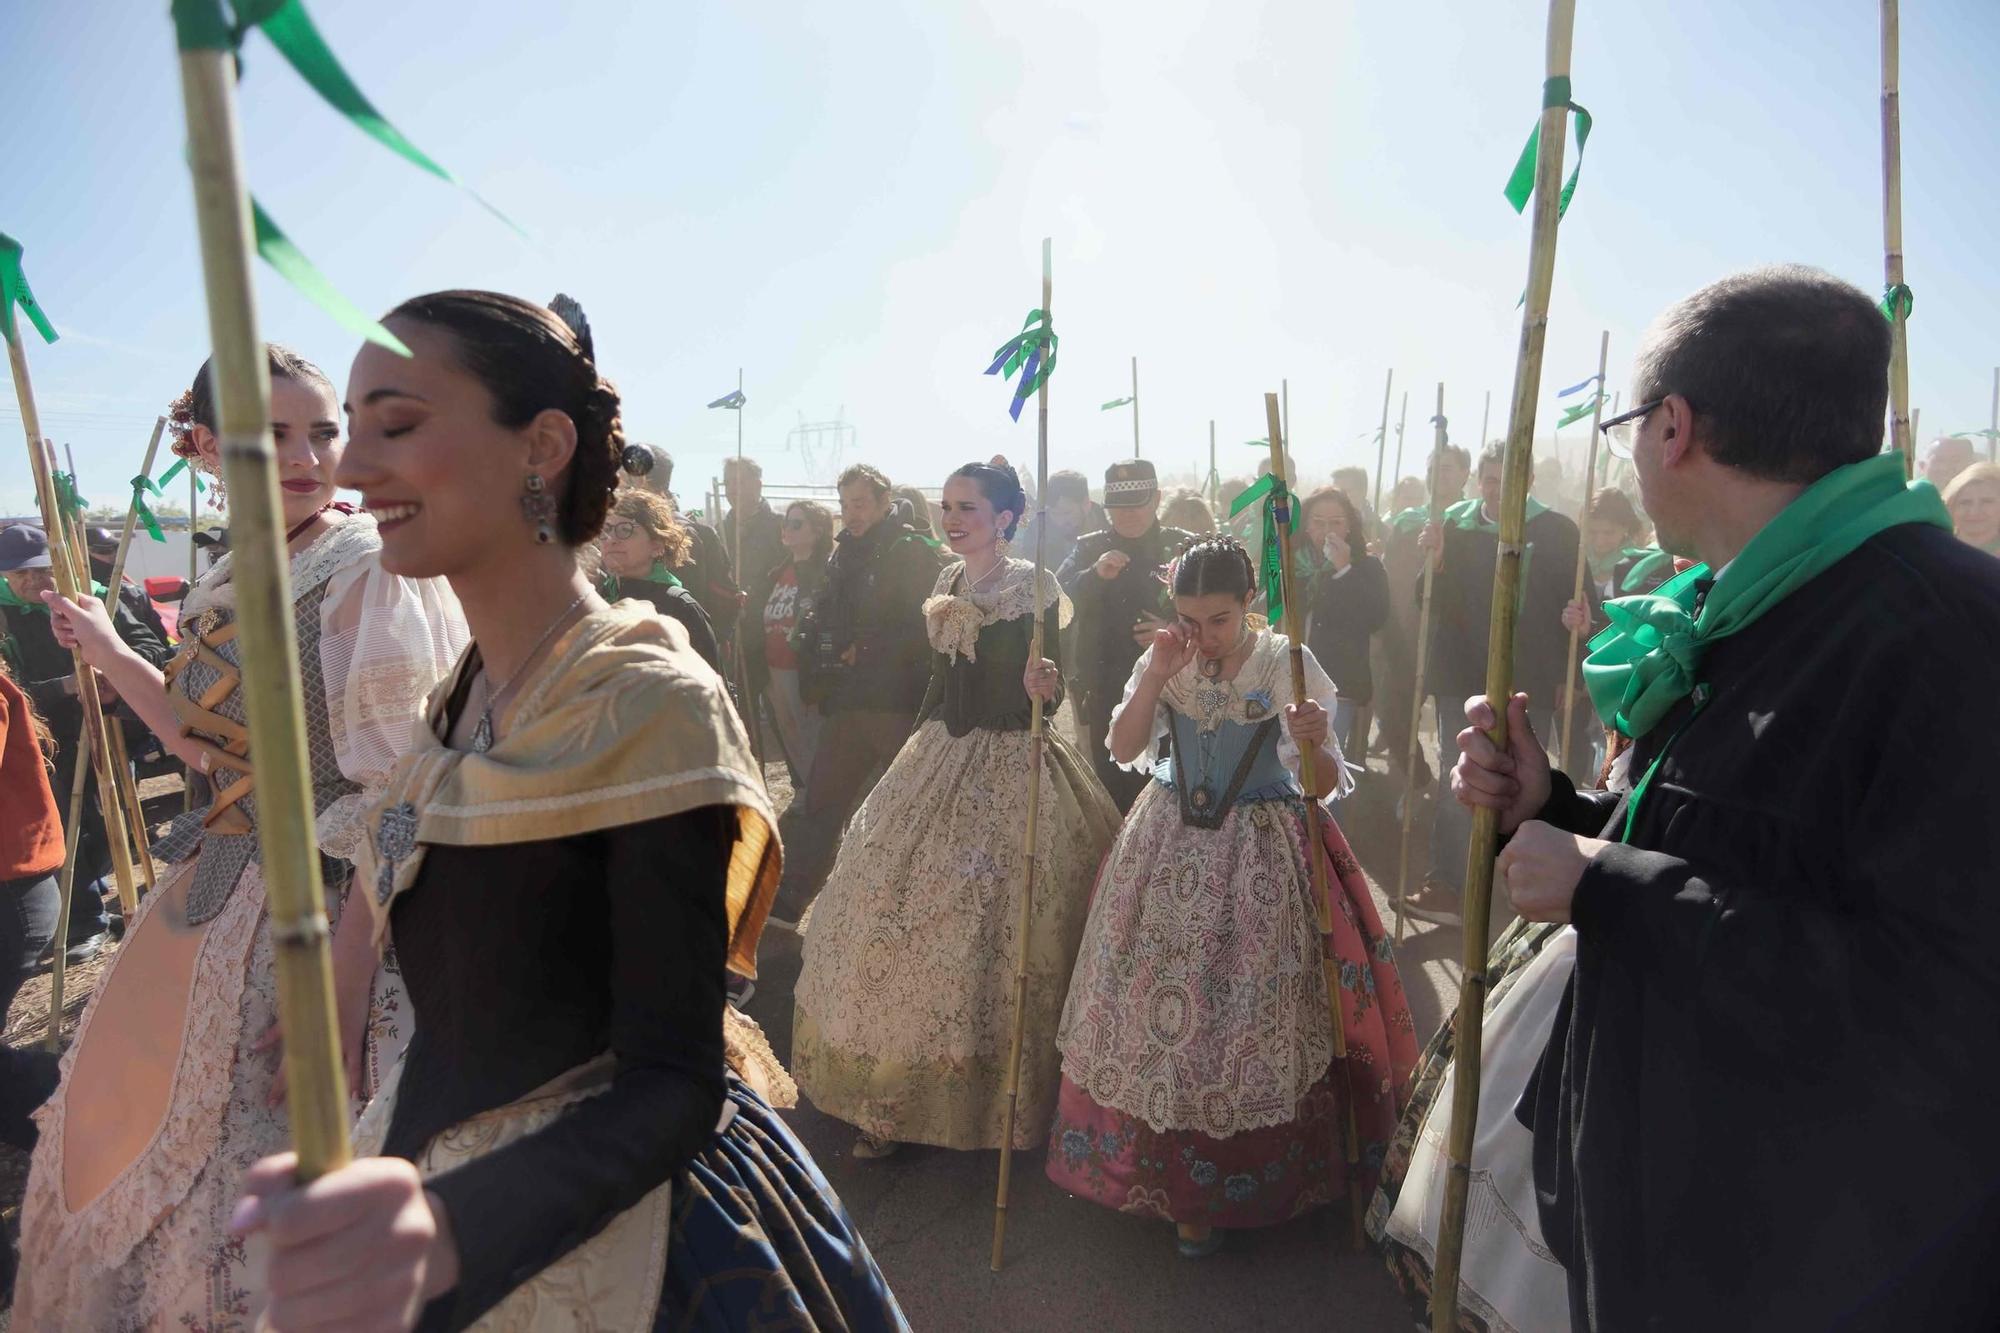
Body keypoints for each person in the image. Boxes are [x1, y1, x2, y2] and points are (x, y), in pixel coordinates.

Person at [229, 289, 908, 1332]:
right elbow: (409, 849)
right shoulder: (454, 693)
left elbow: (673, 1086)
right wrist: (347, 970)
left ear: (540, 445)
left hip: (621, 1237)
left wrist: (446, 1226)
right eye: (351, 429)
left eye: (397, 426)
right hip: (419, 1159)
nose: (354, 470)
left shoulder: (648, 703)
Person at [1454, 265, 2000, 1330]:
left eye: (1622, 429)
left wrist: (1609, 885)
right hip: (1674, 1220)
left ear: (1671, 427)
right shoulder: (1757, 600)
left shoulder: (1948, 637)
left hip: (1813, 1260)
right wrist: (1557, 805)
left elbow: (1936, 1004)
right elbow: (1743, 850)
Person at [12, 345, 466, 1332]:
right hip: (219, 885)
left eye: (322, 431)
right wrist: (112, 647)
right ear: (206, 449)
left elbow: (404, 796)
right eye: (271, 437)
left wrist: (347, 992)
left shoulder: (364, 573)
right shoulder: (232, 574)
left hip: (348, 911)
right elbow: (198, 744)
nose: (304, 456)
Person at [1045, 534, 1417, 1256]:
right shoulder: (1167, 655)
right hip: (1166, 840)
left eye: (1219, 618)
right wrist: (1156, 673)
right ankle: (1171, 1177)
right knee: (1160, 1001)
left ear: (1251, 604)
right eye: (1188, 617)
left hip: (1265, 850)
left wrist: (1312, 737)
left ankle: (1243, 1175)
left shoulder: (1288, 663)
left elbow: (1315, 784)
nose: (1203, 635)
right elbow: (1123, 749)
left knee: (1248, 1007)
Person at [794, 461, 1121, 1158]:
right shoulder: (944, 582)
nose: (952, 517)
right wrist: (909, 760)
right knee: (884, 898)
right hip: (940, 753)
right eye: (946, 505)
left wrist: (1044, 683)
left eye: (966, 506)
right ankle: (884, 1089)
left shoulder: (1036, 585)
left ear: (1005, 518)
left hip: (1012, 754)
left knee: (986, 916)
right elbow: (941, 684)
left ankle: (994, 1091)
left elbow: (1050, 695)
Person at [1407, 442, 1579, 925]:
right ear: (1478, 480)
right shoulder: (1455, 526)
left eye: (1508, 481)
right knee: (1456, 774)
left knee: (1524, 780)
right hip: (1462, 671)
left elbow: (1575, 604)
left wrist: (1575, 645)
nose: (1497, 489)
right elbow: (1428, 599)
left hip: (1533, 674)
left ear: (1526, 484)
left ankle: (1515, 887)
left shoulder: (1559, 531)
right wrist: (1436, 560)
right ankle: (1448, 884)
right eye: (1489, 479)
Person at [770, 463, 945, 924]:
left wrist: (865, 648)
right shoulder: (843, 553)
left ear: (885, 501)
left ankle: (911, 908)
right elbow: (825, 611)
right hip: (847, 702)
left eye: (861, 503)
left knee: (904, 810)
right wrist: (815, 651)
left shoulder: (913, 550)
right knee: (822, 800)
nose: (851, 514)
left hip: (896, 704)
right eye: (845, 505)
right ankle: (787, 907)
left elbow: (930, 620)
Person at [0, 522, 169, 963]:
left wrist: (111, 665)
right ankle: (85, 919)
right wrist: (66, 686)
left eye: (42, 570)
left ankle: (111, 905)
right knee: (67, 829)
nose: (34, 581)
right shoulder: (2, 616)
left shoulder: (98, 599)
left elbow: (153, 651)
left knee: (107, 825)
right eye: (21, 574)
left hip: (109, 731)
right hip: (41, 745)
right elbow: (10, 691)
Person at [1056, 459, 1194, 812]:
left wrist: (1174, 628)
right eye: (1119, 507)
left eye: (1137, 504)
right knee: (1113, 793)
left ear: (1157, 498)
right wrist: (1094, 575)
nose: (1128, 514)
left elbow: (1220, 612)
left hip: (1177, 690)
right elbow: (1056, 604)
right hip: (1108, 689)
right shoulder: (1088, 549)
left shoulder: (1184, 548)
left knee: (1174, 791)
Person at [619, 443, 743, 650]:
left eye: (624, 477)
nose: (617, 485)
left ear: (641, 480)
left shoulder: (677, 535)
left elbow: (682, 608)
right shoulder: (621, 528)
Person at [745, 498, 834, 784]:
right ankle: (806, 789)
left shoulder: (826, 573)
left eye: (797, 524)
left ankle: (821, 794)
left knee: (813, 734)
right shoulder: (775, 573)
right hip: (772, 669)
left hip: (804, 669)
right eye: (786, 523)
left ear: (817, 531)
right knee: (789, 733)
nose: (787, 529)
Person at [1301, 487, 1389, 752]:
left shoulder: (1367, 567)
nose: (1326, 529)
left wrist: (1344, 569)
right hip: (1290, 679)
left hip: (1337, 687)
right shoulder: (1292, 564)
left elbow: (1376, 618)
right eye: (1318, 522)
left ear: (1349, 526)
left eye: (1336, 522)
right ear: (1306, 526)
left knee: (1324, 763)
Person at [594, 488, 722, 670]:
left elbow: (709, 686)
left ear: (657, 546)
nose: (611, 540)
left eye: (625, 530)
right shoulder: (599, 596)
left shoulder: (679, 606)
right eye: (606, 530)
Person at [720, 454, 785, 618]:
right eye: (728, 483)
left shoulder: (782, 526)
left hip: (770, 623)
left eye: (740, 482)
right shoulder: (718, 532)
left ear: (758, 485)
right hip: (729, 625)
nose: (733, 489)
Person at [85, 526, 173, 646]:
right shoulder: (69, 595)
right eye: (104, 551)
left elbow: (160, 643)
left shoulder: (134, 594)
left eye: (116, 549)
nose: (113, 555)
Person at [1015, 468, 1098, 572]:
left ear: (1086, 504)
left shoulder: (1112, 531)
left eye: (1067, 513)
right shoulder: (1035, 538)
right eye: (1054, 514)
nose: (1060, 521)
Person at [1942, 460, 2000, 556]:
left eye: (1987, 501)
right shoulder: (1933, 550)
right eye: (1965, 503)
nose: (1974, 512)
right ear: (1951, 506)